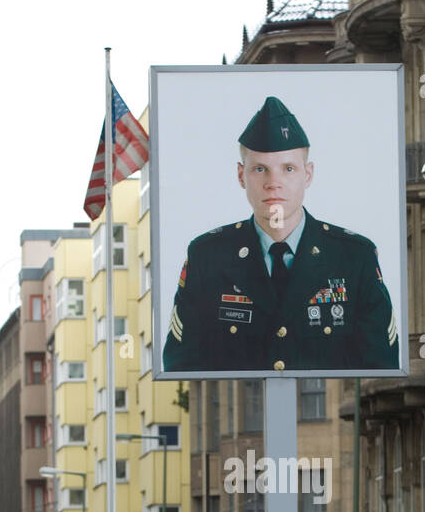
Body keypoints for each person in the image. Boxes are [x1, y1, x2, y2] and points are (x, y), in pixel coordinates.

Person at [162, 95, 399, 374]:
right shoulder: (208, 256)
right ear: (241, 176)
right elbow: (182, 365)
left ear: (307, 175)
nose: (273, 183)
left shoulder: (354, 256)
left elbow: (381, 365)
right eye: (260, 169)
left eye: (288, 169)